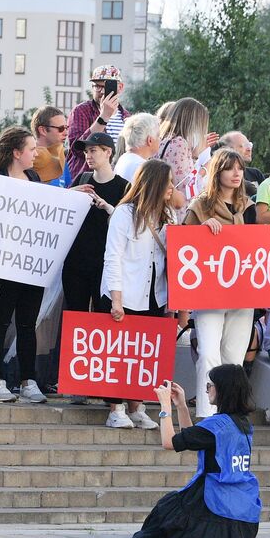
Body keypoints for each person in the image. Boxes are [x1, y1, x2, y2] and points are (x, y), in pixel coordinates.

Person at [131, 366, 261, 538]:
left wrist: (164, 407)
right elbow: (194, 438)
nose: (207, 389)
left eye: (211, 385)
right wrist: (181, 405)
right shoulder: (242, 423)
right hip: (240, 511)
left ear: (223, 389)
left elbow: (169, 442)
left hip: (214, 503)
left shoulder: (216, 426)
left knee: (165, 514)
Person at [183, 149, 270, 419]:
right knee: (209, 352)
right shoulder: (200, 206)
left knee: (234, 356)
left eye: (240, 168)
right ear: (217, 172)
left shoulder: (248, 207)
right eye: (229, 168)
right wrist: (201, 230)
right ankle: (206, 415)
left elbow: (255, 247)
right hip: (209, 293)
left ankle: (228, 415)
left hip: (242, 292)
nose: (236, 174)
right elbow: (182, 247)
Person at [102, 161, 175, 430]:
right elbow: (113, 257)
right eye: (168, 182)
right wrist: (116, 300)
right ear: (155, 184)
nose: (172, 187)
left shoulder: (168, 216)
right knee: (119, 353)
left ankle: (136, 407)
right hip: (125, 292)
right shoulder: (124, 214)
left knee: (143, 354)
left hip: (154, 294)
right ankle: (116, 408)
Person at [0, 127, 47, 404]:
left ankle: (28, 380)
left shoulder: (34, 177)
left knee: (28, 323)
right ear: (17, 153)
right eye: (31, 149)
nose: (36, 153)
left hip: (30, 262)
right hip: (3, 264)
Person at [62, 130, 128, 331]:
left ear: (108, 152)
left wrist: (108, 208)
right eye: (86, 152)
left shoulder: (123, 187)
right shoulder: (83, 179)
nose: (88, 156)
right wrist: (71, 193)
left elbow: (130, 225)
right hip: (76, 261)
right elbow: (59, 208)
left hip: (105, 263)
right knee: (75, 317)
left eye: (93, 151)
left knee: (104, 317)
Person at [66, 65, 130, 184]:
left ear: (120, 87)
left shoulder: (127, 117)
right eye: (97, 86)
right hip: (87, 182)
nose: (101, 91)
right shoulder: (81, 111)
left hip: (115, 182)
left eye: (106, 86)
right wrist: (104, 116)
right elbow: (78, 149)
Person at [153, 97, 210, 215]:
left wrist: (194, 155)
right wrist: (206, 167)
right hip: (177, 213)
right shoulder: (179, 144)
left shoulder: (163, 139)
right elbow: (187, 187)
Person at [112, 112, 160, 183]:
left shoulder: (124, 159)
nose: (160, 139)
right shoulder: (144, 168)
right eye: (158, 135)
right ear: (149, 140)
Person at [28, 107, 68, 186]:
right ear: (43, 130)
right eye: (61, 129)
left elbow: (65, 187)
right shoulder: (25, 159)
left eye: (66, 128)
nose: (66, 133)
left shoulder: (61, 156)